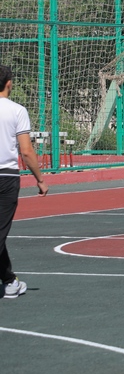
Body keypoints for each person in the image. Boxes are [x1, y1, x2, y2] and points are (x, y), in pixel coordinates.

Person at [0, 65, 48, 300]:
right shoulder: (17, 111)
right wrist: (40, 179)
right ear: (9, 83)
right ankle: (9, 281)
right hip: (6, 177)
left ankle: (9, 281)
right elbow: (26, 151)